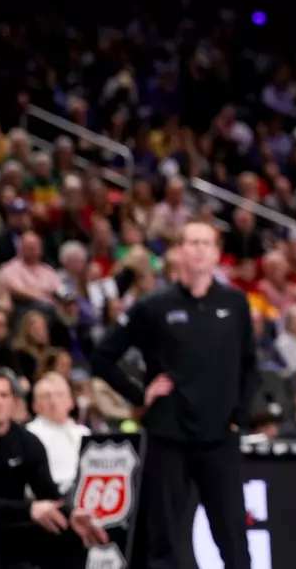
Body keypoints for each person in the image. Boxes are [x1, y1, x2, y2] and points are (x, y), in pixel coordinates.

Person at [92, 219, 257, 569]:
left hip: (219, 438)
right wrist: (139, 395)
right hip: (169, 437)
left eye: (205, 243)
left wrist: (238, 417)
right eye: (191, 242)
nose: (198, 249)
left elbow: (250, 366)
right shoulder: (155, 306)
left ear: (216, 253)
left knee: (233, 540)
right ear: (179, 251)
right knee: (164, 540)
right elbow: (102, 356)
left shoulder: (236, 303)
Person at [0, 368, 106, 569]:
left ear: (14, 401)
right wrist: (29, 509)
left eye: (3, 395)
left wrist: (71, 514)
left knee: (69, 527)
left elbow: (49, 495)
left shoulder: (28, 441)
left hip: (11, 523)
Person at [25, 371, 90, 493]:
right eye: (46, 396)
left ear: (71, 401)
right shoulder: (28, 435)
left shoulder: (84, 433)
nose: (53, 402)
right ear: (35, 405)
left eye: (59, 395)